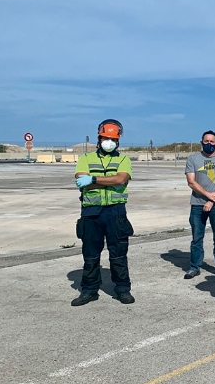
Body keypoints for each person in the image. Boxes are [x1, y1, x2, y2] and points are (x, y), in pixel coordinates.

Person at [71, 119, 135, 306]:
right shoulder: (85, 158)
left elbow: (121, 179)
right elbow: (80, 178)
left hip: (115, 212)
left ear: (118, 140)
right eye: (106, 138)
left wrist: (93, 179)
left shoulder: (123, 159)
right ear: (99, 138)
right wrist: (108, 179)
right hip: (91, 212)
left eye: (113, 139)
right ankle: (89, 290)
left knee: (118, 254)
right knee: (90, 254)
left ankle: (123, 289)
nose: (109, 142)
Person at [184, 130, 215, 279]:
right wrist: (207, 196)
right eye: (206, 141)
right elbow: (191, 182)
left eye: (212, 142)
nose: (209, 144)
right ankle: (195, 267)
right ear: (201, 142)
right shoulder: (193, 159)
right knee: (197, 238)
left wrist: (212, 200)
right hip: (197, 204)